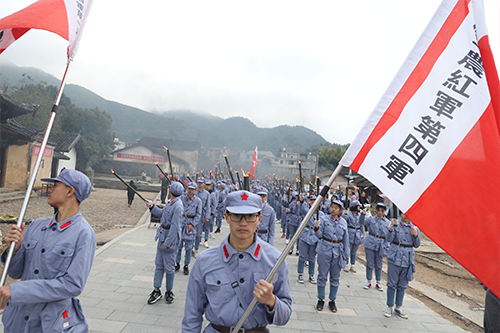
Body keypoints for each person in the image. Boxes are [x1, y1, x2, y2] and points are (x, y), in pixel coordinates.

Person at [182, 190, 292, 332]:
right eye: (237, 216)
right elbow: (192, 314)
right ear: (226, 217)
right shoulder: (205, 261)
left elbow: (285, 317)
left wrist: (271, 300)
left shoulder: (275, 260)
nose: (243, 223)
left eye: (250, 216)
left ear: (259, 219)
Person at [0, 169, 96, 332]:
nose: (49, 189)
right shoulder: (37, 225)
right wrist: (14, 250)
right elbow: (16, 273)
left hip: (48, 323)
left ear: (70, 191)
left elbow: (72, 285)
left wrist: (17, 290)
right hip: (18, 319)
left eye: (55, 185)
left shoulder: (84, 234)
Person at [145, 182, 184, 304]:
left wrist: (168, 243)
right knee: (159, 265)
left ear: (170, 191)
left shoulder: (178, 205)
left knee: (169, 267)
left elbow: (175, 227)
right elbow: (163, 214)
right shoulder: (171, 203)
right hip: (163, 236)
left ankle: (169, 291)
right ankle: (156, 290)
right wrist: (152, 207)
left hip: (170, 240)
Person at [313, 199, 349, 313]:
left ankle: (332, 300)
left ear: (340, 210)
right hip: (325, 249)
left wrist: (346, 255)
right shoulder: (323, 219)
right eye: (332, 207)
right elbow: (319, 235)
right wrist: (317, 227)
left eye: (336, 208)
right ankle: (321, 298)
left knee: (335, 277)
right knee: (322, 275)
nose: (333, 209)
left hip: (338, 251)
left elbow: (346, 240)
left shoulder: (343, 222)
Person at [384, 211, 420, 319]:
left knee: (403, 284)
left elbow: (417, 245)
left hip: (407, 258)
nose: (406, 215)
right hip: (395, 256)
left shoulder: (415, 228)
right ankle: (390, 306)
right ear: (400, 215)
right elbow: (389, 239)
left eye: (408, 212)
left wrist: (416, 235)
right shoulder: (395, 225)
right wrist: (390, 228)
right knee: (392, 283)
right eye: (403, 213)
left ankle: (398, 307)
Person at [361, 203, 390, 291]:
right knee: (369, 263)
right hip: (370, 242)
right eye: (379, 210)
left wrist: (386, 245)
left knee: (379, 264)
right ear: (376, 211)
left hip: (381, 244)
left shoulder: (387, 222)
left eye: (382, 211)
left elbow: (388, 236)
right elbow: (361, 222)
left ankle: (378, 282)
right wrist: (362, 214)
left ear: (384, 211)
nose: (380, 212)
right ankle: (369, 281)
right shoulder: (371, 219)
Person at [175, 182, 202, 276]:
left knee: (188, 247)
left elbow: (198, 215)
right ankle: (177, 263)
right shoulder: (182, 198)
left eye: (192, 189)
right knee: (178, 246)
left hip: (190, 225)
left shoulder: (198, 201)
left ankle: (186, 265)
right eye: (188, 188)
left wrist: (193, 224)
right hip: (181, 223)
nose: (190, 190)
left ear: (195, 190)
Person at [297, 194, 322, 285]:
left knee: (312, 257)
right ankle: (300, 273)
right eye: (311, 200)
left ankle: (311, 274)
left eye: (315, 200)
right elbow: (302, 209)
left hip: (314, 236)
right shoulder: (307, 211)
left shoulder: (321, 214)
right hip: (305, 234)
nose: (313, 202)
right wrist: (302, 200)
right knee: (302, 256)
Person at [344, 200, 365, 273]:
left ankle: (352, 265)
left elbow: (362, 225)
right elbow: (344, 223)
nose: (359, 207)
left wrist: (363, 235)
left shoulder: (359, 215)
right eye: (358, 206)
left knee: (354, 251)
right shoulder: (349, 214)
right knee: (347, 249)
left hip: (357, 234)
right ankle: (346, 264)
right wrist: (344, 215)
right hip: (350, 232)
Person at [194, 178, 211, 257]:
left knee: (198, 233)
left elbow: (208, 206)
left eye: (201, 183)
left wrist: (207, 216)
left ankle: (196, 249)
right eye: (199, 183)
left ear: (204, 184)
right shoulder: (193, 192)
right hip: (193, 214)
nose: (200, 184)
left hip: (201, 215)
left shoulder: (206, 194)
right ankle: (190, 248)